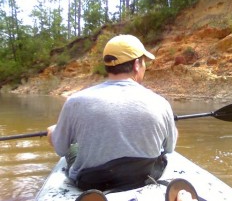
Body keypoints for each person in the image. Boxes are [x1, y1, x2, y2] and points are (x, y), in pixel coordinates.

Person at [47, 34, 178, 191]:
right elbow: (169, 148)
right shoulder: (161, 103)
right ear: (137, 64)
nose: (144, 67)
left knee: (68, 144)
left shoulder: (75, 102)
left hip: (92, 183)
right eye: (144, 62)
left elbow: (61, 149)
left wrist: (52, 133)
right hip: (144, 178)